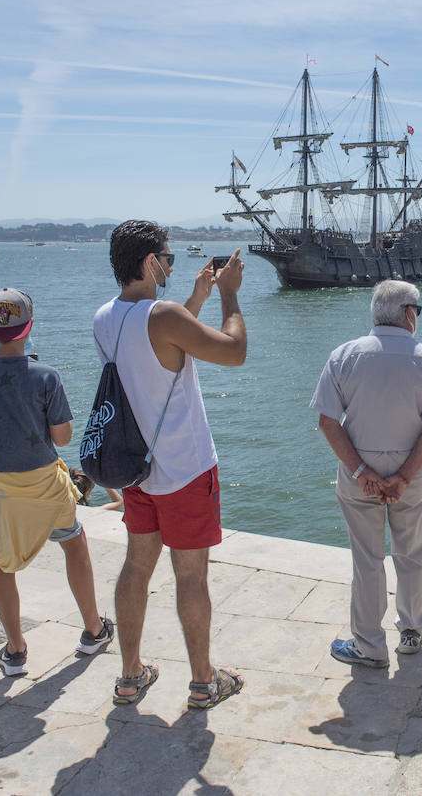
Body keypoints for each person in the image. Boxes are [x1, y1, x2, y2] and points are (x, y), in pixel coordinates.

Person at [92, 221, 247, 708]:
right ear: (148, 263)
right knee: (191, 575)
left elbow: (160, 353)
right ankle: (203, 681)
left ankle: (130, 675)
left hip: (136, 467)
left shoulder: (105, 317)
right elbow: (234, 352)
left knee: (136, 566)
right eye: (168, 256)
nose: (172, 264)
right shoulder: (164, 316)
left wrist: (194, 299)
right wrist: (228, 296)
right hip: (185, 468)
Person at [0, 287, 114, 676]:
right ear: (29, 327)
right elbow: (62, 438)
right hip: (44, 482)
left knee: (1, 563)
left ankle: (15, 651)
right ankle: (93, 630)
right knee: (74, 544)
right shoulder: (46, 376)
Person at [311, 280, 422, 668]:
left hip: (359, 474)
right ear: (409, 314)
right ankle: (411, 631)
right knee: (413, 554)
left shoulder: (344, 355)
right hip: (411, 472)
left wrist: (361, 471)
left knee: (367, 559)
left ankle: (369, 646)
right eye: (418, 312)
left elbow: (328, 421)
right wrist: (404, 477)